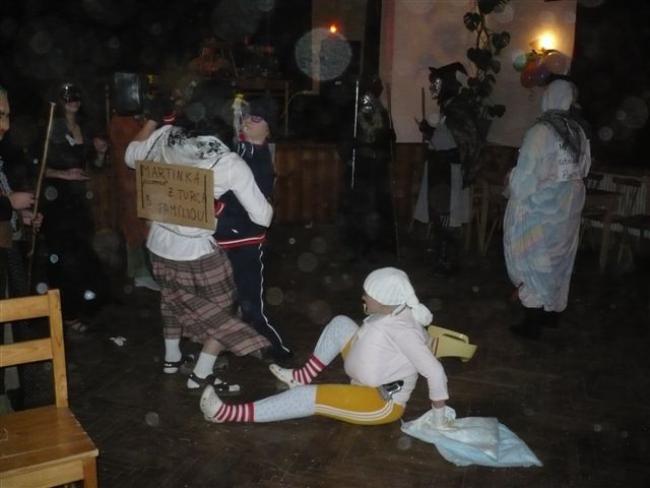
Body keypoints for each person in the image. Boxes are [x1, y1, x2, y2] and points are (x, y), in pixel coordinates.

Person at [124, 81, 273, 391]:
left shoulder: (163, 135)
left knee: (171, 298)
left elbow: (129, 156)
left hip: (157, 245)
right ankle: (201, 374)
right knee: (225, 309)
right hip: (195, 251)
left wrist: (152, 120)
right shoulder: (228, 162)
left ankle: (171, 359)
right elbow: (263, 216)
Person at [200, 267, 450, 426]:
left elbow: (435, 371)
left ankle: (225, 414)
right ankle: (301, 376)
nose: (363, 296)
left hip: (379, 401)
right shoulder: (392, 310)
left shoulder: (404, 330)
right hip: (364, 377)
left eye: (368, 294)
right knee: (341, 323)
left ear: (385, 301)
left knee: (306, 398)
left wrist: (438, 418)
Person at [503, 79, 591, 339]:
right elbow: (584, 168)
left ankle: (533, 320)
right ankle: (552, 313)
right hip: (567, 208)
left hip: (539, 208)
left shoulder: (541, 131)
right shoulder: (578, 130)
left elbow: (526, 175)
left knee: (533, 259)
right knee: (559, 261)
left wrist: (512, 183)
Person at [213, 95, 292, 360]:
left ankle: (280, 352)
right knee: (227, 301)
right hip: (228, 238)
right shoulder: (240, 151)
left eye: (256, 118)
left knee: (251, 306)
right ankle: (223, 349)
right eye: (246, 116)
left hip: (245, 242)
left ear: (268, 128)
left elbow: (250, 210)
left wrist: (216, 210)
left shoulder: (258, 160)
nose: (247, 121)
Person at [40, 82, 109, 332]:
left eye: (76, 96)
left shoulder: (83, 128)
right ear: (59, 101)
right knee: (61, 260)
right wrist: (63, 174)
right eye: (68, 96)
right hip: (56, 201)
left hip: (78, 203)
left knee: (81, 257)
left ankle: (79, 306)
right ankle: (65, 314)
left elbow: (94, 166)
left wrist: (100, 153)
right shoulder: (51, 127)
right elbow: (37, 168)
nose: (73, 100)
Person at [418, 63, 481, 276]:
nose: (433, 87)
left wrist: (430, 132)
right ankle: (442, 257)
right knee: (440, 216)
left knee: (446, 217)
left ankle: (447, 261)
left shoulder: (457, 110)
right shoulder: (449, 109)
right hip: (440, 170)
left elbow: (452, 142)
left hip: (448, 172)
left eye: (437, 83)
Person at [339, 74, 397, 261]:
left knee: (378, 206)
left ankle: (377, 244)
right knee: (363, 207)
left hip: (377, 167)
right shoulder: (357, 109)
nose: (378, 89)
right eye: (375, 85)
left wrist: (389, 137)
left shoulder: (382, 111)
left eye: (379, 85)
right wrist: (352, 150)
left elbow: (387, 139)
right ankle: (360, 246)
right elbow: (348, 138)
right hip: (363, 166)